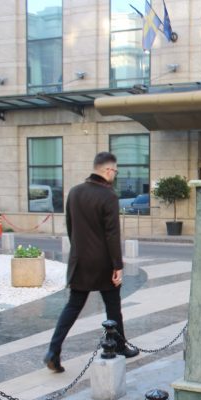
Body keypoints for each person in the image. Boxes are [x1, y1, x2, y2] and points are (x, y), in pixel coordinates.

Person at [43, 152, 138, 372]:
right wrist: (118, 266)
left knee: (73, 306)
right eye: (115, 171)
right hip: (104, 262)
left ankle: (53, 351)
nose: (115, 175)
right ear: (107, 170)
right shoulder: (109, 196)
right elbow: (112, 234)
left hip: (79, 260)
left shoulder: (74, 192)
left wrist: (79, 249)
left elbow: (70, 227)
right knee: (113, 307)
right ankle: (120, 346)